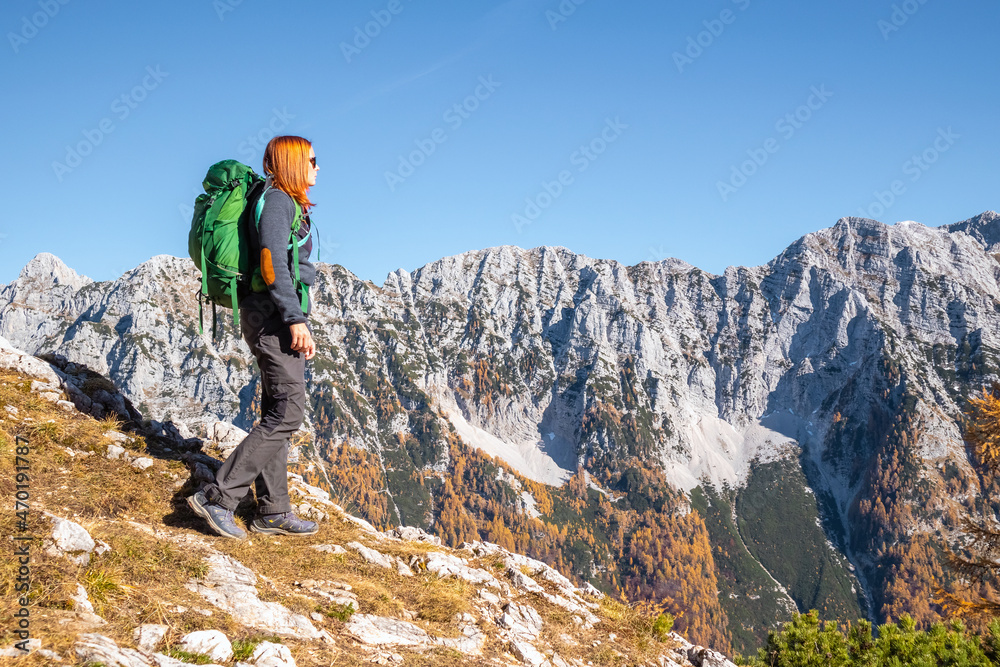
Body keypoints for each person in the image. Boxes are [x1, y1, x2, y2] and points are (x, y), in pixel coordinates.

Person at [188, 135, 320, 539]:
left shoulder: (283, 201)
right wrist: (295, 319)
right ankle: (218, 496)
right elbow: (272, 263)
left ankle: (274, 511)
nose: (318, 167)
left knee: (277, 411)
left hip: (270, 314)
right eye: (313, 160)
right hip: (273, 319)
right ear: (295, 162)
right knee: (289, 412)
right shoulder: (279, 201)